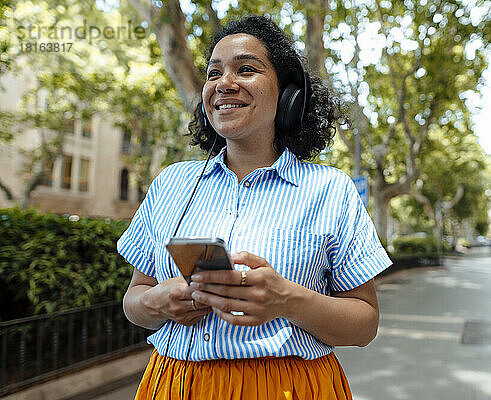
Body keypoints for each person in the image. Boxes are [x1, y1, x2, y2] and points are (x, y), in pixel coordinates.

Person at [118, 15, 392, 400]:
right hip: (173, 385)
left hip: (291, 388)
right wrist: (157, 301)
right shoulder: (171, 184)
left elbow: (364, 325)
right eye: (214, 74)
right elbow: (134, 301)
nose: (224, 84)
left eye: (246, 69)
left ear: (287, 95)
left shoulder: (331, 189)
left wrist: (287, 300)